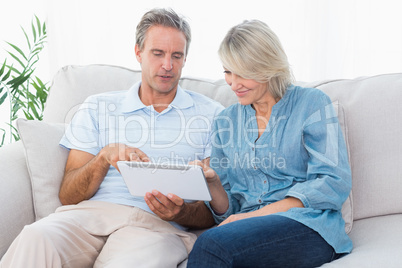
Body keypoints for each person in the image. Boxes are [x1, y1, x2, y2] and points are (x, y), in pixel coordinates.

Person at [0, 8, 223, 268]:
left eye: (177, 55)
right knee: (35, 237)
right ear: (138, 52)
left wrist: (182, 212)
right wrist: (103, 158)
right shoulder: (98, 107)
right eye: (158, 53)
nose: (167, 65)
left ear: (185, 59)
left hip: (156, 228)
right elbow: (68, 195)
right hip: (88, 218)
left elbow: (215, 210)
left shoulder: (212, 115)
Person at [187, 20, 353, 267]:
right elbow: (228, 207)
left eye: (242, 72)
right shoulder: (225, 121)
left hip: (308, 225)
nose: (233, 83)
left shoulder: (311, 103)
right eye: (227, 72)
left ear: (268, 66)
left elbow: (333, 182)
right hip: (248, 230)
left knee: (212, 245)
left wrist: (254, 216)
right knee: (217, 244)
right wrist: (212, 184)